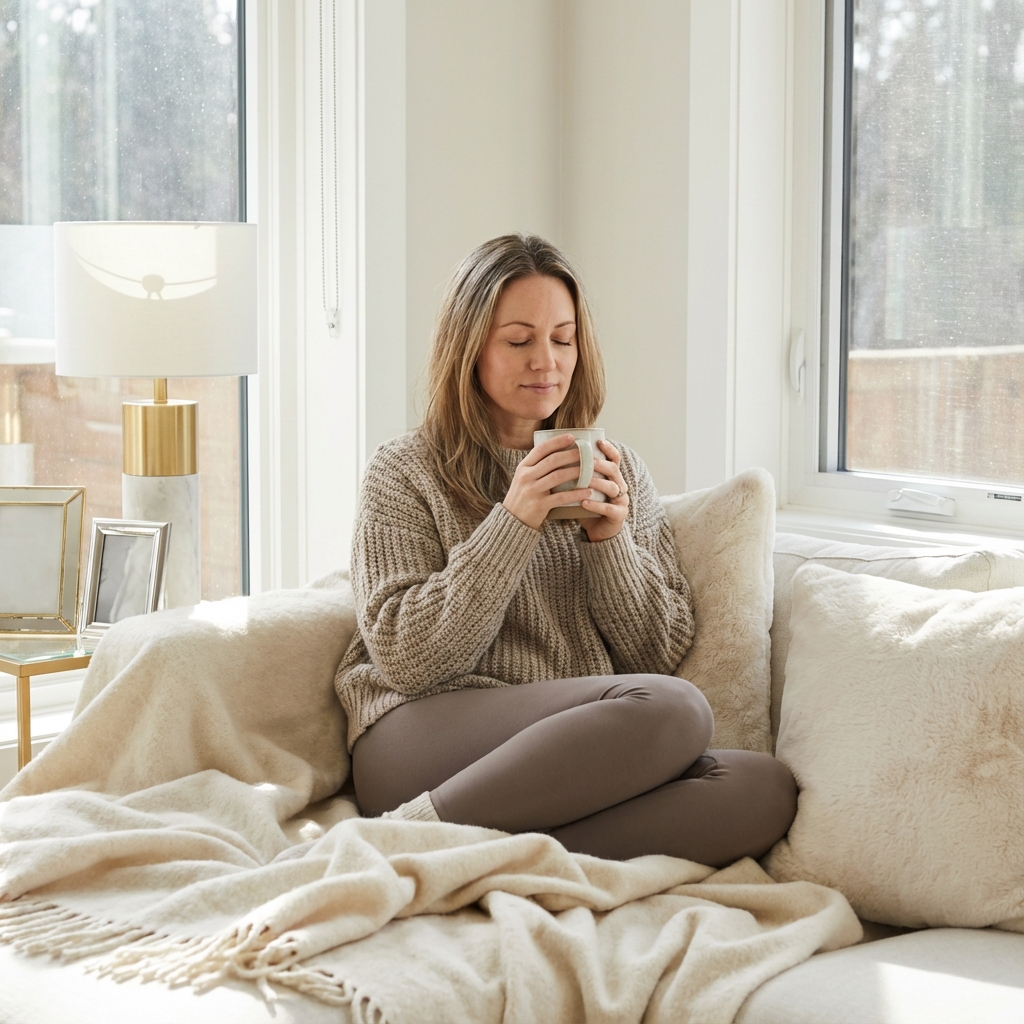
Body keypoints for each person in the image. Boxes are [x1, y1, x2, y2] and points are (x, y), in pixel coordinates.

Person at [335, 234, 796, 866]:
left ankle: (471, 856)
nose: (545, 362)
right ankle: (407, 832)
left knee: (761, 787)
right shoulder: (404, 469)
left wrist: (610, 543)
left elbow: (655, 653)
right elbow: (408, 659)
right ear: (469, 348)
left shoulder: (615, 468)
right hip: (420, 733)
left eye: (563, 339)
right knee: (675, 710)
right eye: (518, 341)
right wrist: (513, 521)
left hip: (562, 759)